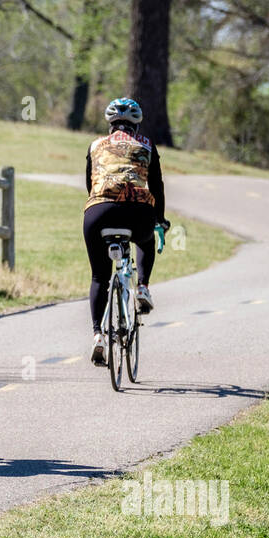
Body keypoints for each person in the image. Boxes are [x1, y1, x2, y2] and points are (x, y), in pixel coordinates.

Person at [84, 98, 169, 366]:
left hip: (98, 213)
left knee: (100, 276)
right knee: (146, 236)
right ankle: (142, 287)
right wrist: (161, 220)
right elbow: (156, 186)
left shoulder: (95, 145)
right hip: (137, 213)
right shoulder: (146, 144)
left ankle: (98, 334)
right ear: (137, 123)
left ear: (110, 124)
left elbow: (90, 182)